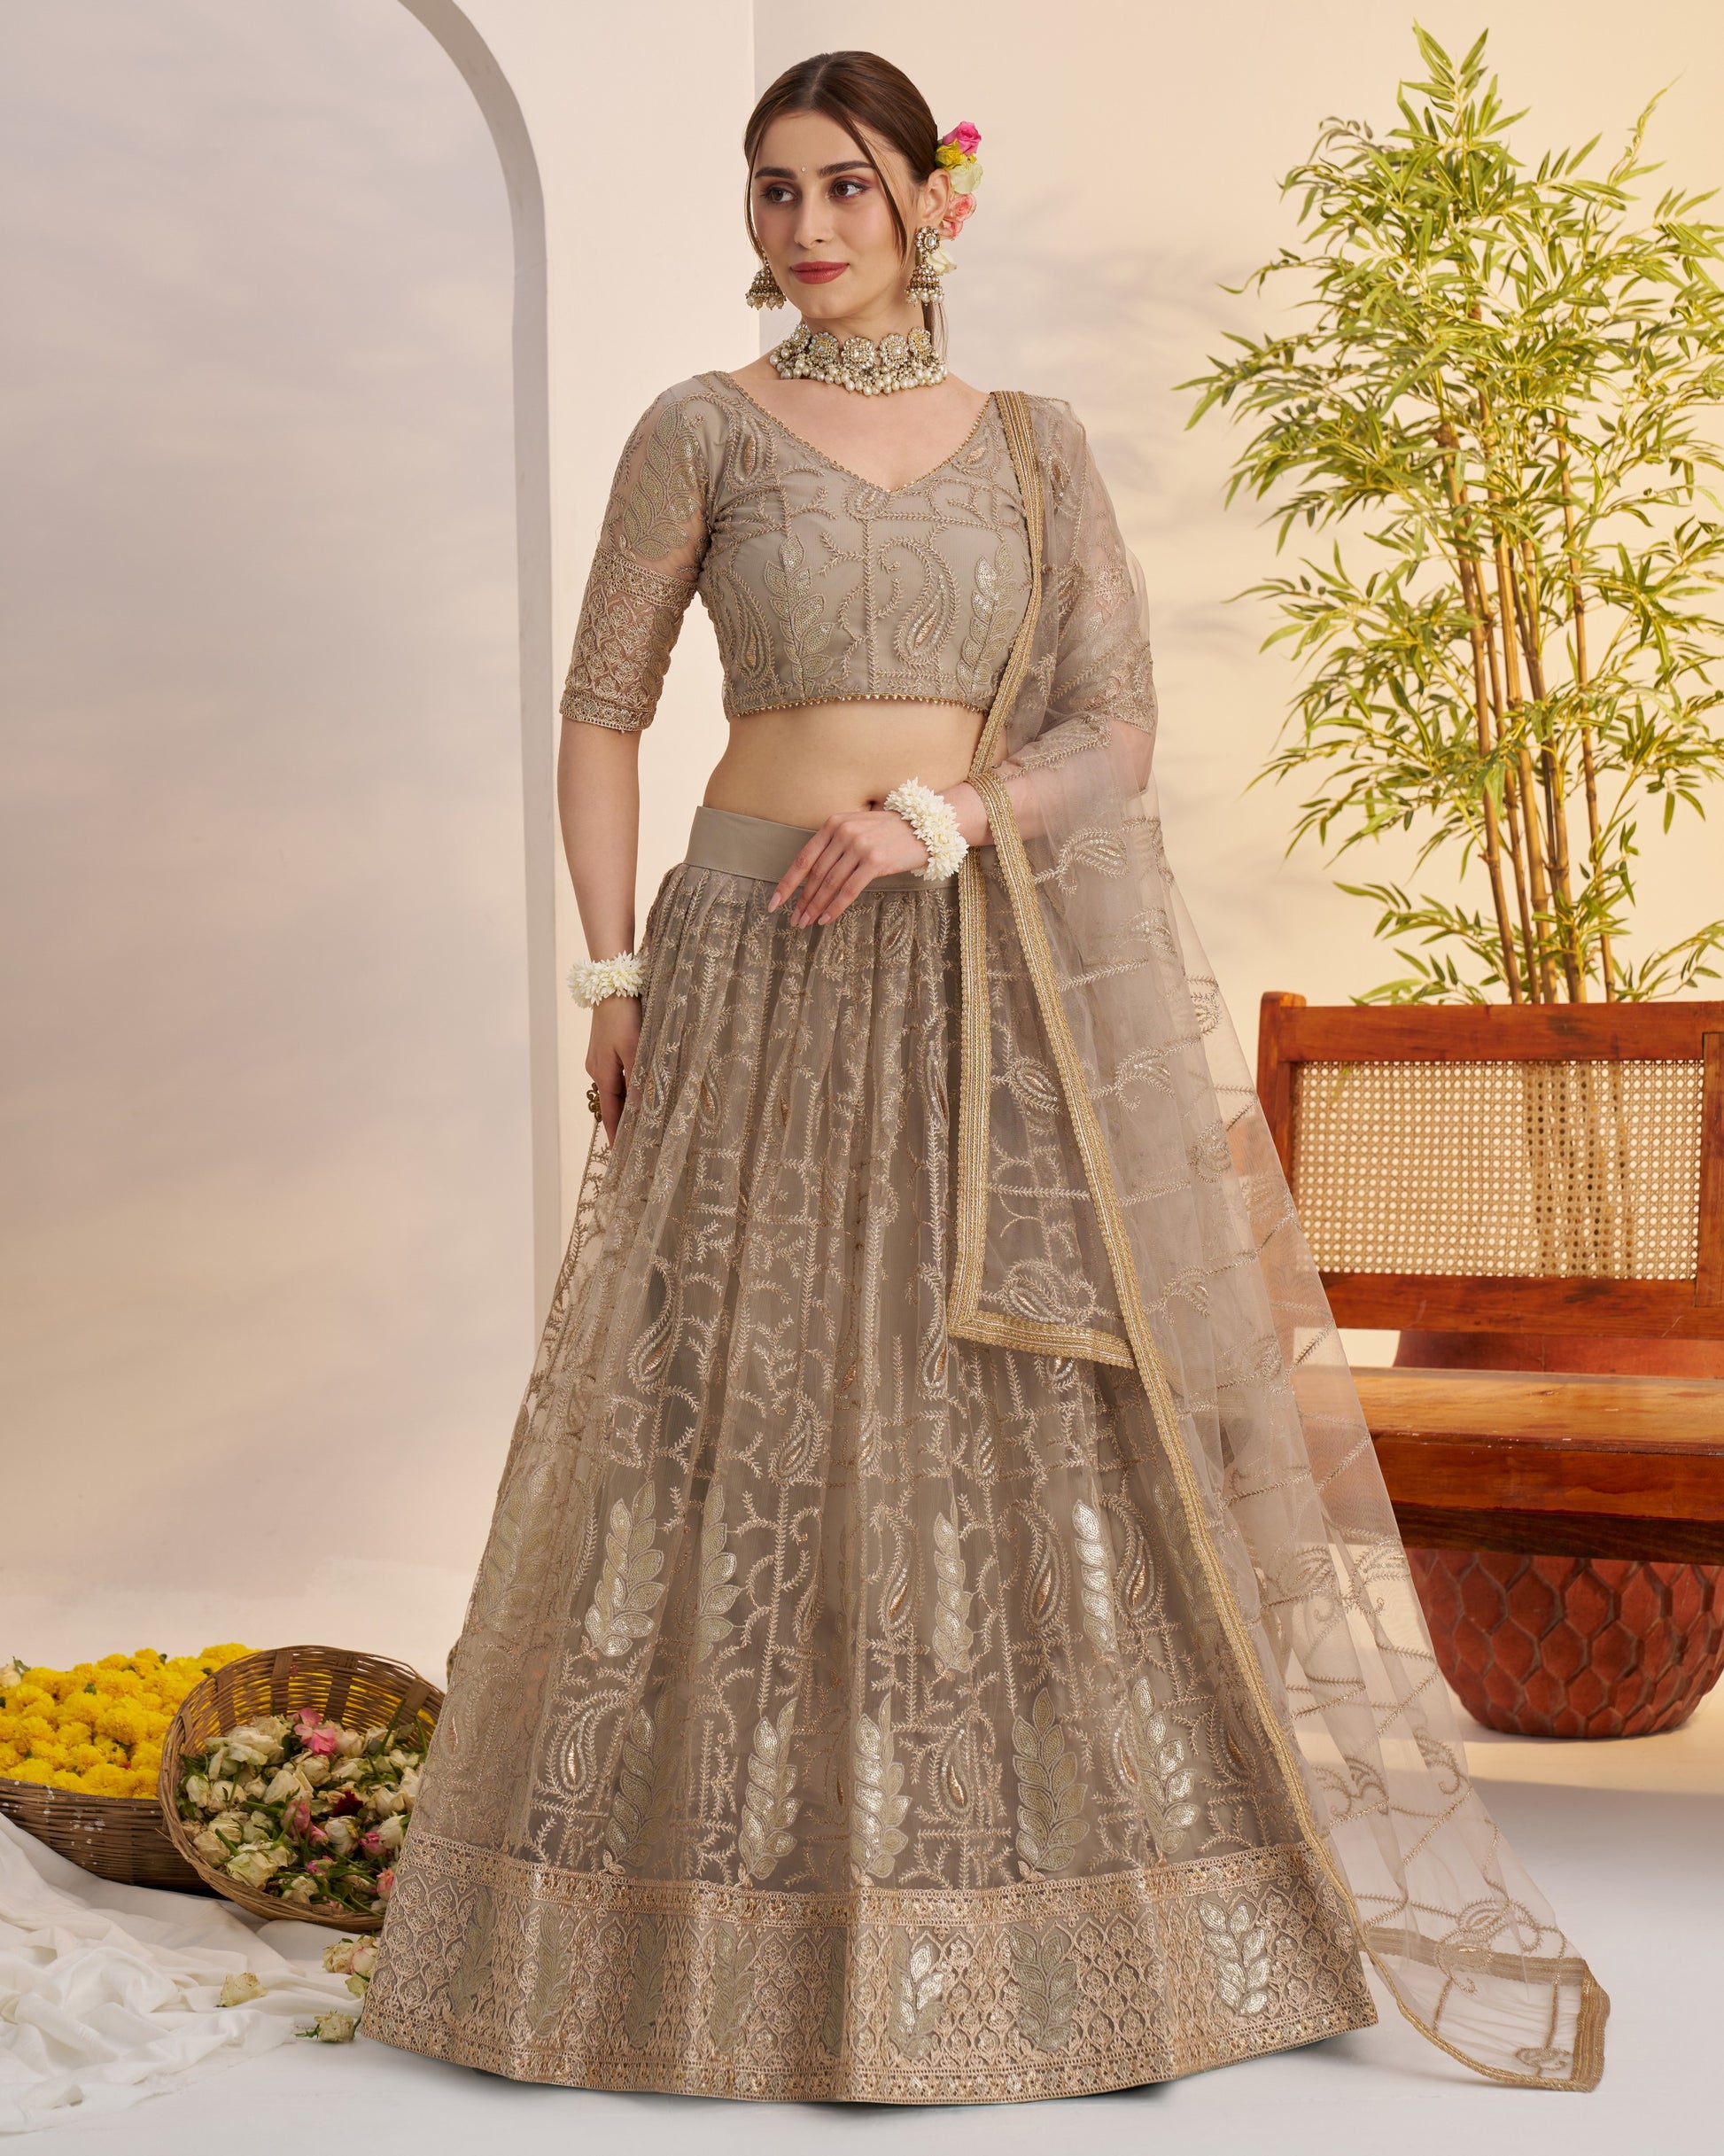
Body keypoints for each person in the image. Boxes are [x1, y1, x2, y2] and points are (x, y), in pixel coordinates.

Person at [361, 51, 1606, 2103]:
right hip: (750, 953)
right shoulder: (697, 431)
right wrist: (608, 969)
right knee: (726, 1395)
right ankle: (686, 1915)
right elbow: (601, 711)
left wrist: (952, 816)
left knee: (993, 1410)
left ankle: (1033, 1902)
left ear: (930, 203)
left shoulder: (1035, 449)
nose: (802, 228)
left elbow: (1116, 726)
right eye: (770, 192)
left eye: (842, 185)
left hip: (968, 959)